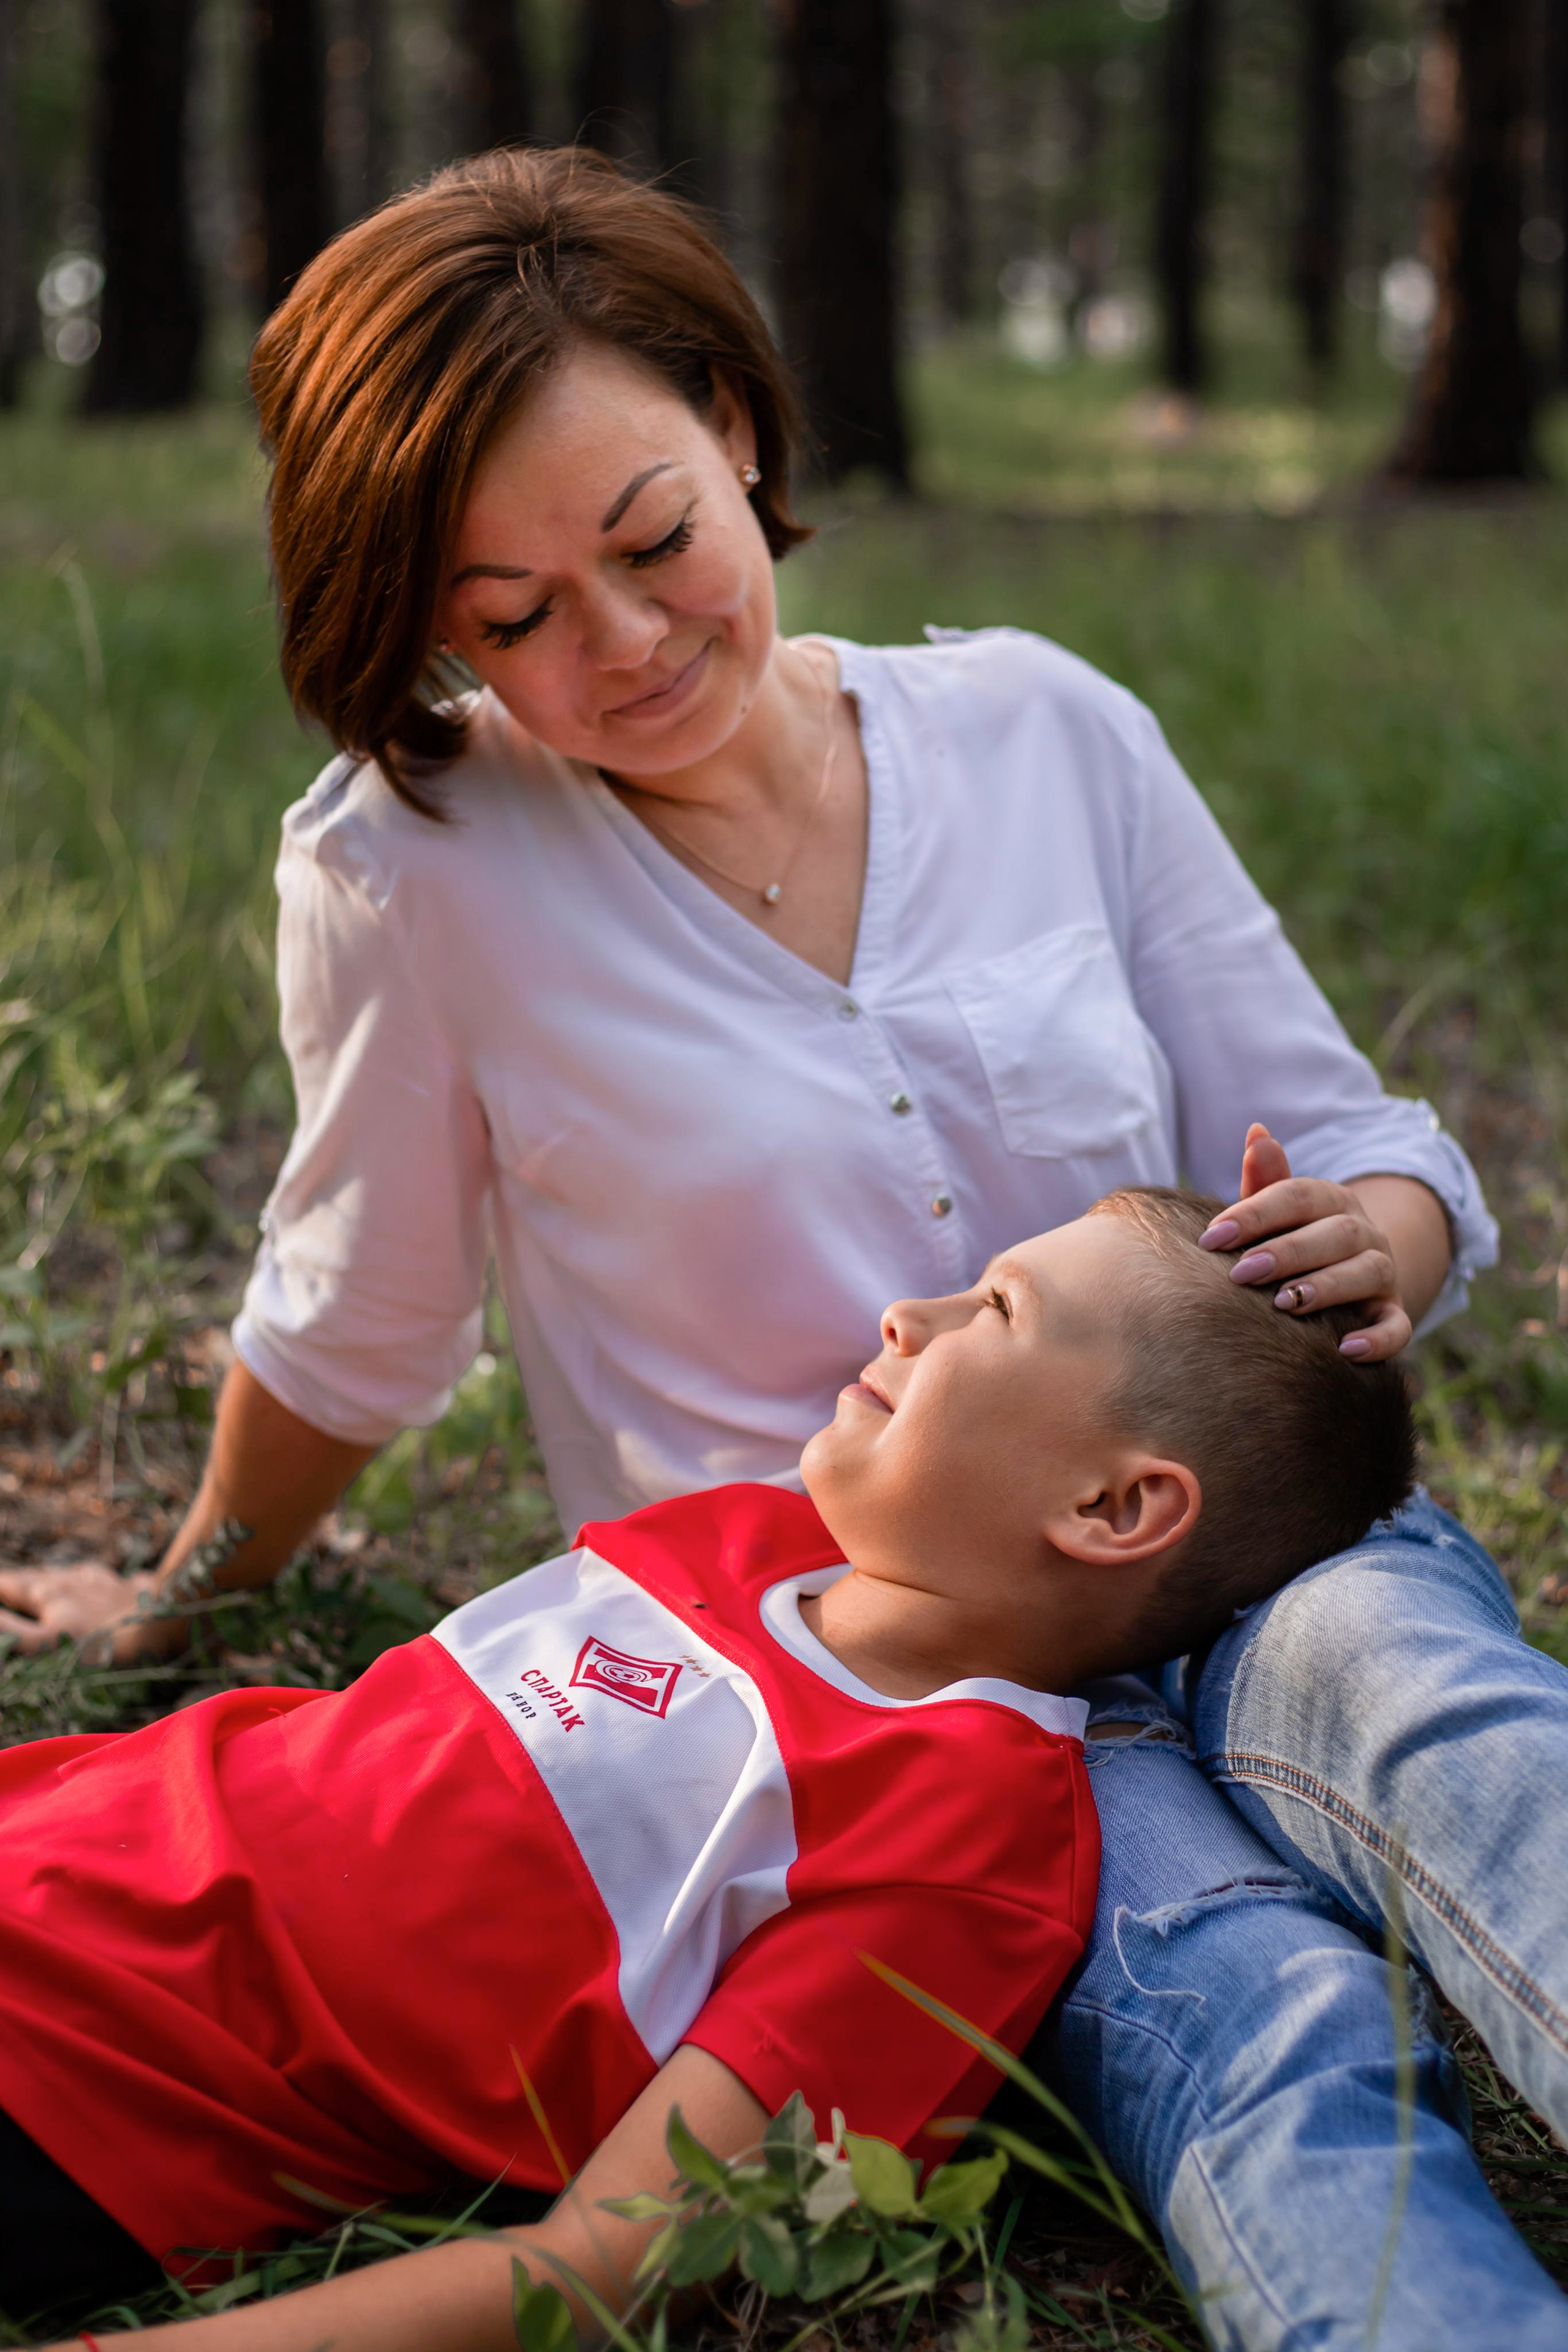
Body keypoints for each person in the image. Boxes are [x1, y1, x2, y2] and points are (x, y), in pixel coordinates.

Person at [1, 148, 1564, 2346]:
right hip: (857, 1691)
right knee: (1252, 2035)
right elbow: (353, 1318)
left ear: (736, 426)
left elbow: (1369, 1136)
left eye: (651, 540)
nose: (622, 646)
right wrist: (182, 1597)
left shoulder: (1041, 725)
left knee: (1461, 1743)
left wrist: (1379, 1231)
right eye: (511, 614)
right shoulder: (414, 866)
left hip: (1237, 1521)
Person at [9, 1188, 1419, 2351]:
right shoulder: (738, 1534)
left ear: (1110, 1506)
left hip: (82, 2084)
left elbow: (599, 2266)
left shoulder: (964, 1853)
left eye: (993, 1310)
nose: (903, 1314)